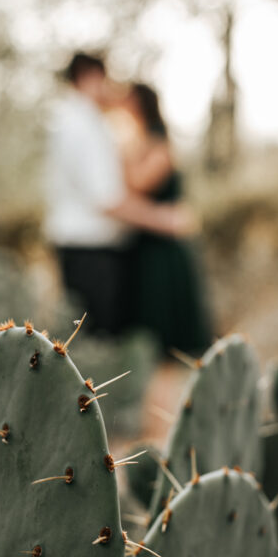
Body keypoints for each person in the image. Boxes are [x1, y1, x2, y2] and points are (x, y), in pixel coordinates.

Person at [45, 52, 192, 336]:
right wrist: (162, 219)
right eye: (106, 78)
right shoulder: (80, 124)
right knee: (98, 345)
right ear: (90, 77)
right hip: (90, 252)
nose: (111, 87)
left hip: (96, 250)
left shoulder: (83, 121)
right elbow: (106, 199)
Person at [121, 82, 211, 356]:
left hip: (164, 253)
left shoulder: (157, 141)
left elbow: (139, 183)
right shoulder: (142, 140)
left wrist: (117, 154)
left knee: (166, 339)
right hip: (148, 247)